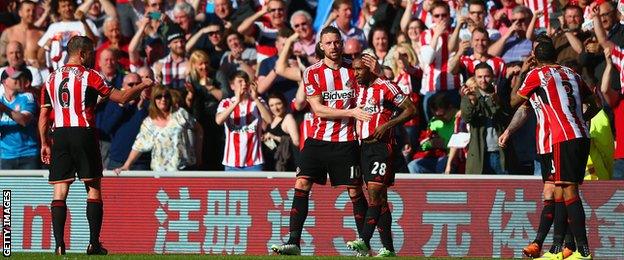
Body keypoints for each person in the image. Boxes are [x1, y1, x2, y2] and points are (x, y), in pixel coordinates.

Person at [38, 36, 153, 255]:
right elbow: (121, 98)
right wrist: (142, 85)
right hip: (84, 133)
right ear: (81, 54)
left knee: (60, 189)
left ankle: (59, 245)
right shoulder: (89, 75)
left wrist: (45, 142)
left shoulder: (51, 78)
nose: (92, 57)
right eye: (90, 52)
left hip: (60, 135)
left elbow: (44, 115)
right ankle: (93, 243)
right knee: (93, 187)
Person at [270, 26, 373, 256]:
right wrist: (352, 113)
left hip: (347, 141)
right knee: (301, 183)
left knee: (355, 191)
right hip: (317, 140)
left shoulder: (353, 71)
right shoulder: (313, 72)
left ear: (342, 43)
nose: (334, 47)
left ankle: (364, 244)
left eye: (337, 42)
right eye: (329, 43)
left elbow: (372, 92)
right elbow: (318, 110)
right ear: (321, 46)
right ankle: (294, 241)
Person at [510, 40, 601, 259]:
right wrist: (580, 118)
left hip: (563, 137)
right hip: (581, 135)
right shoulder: (572, 74)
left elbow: (514, 101)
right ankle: (557, 250)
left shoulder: (537, 74)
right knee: (560, 189)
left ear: (535, 56)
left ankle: (583, 251)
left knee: (569, 191)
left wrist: (523, 73)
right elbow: (595, 103)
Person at [346, 54, 416, 257]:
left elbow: (410, 109)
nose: (356, 73)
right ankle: (388, 249)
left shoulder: (385, 86)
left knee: (375, 193)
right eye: (354, 69)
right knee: (380, 199)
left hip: (381, 146)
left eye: (359, 69)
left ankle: (364, 240)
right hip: (362, 147)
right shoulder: (357, 89)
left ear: (370, 69)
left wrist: (387, 124)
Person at [215, 71, 272, 171]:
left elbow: (269, 120)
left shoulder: (258, 102)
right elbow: (219, 120)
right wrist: (237, 101)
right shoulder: (226, 103)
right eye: (240, 81)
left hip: (254, 162)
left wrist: (256, 98)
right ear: (232, 86)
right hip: (231, 163)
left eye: (246, 81)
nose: (244, 84)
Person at [460, 63, 510, 174]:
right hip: (479, 153)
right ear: (475, 78)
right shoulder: (469, 96)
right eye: (479, 77)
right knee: (479, 191)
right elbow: (467, 118)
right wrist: (472, 102)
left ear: (492, 76)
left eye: (486, 76)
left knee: (504, 190)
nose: (483, 80)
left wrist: (497, 102)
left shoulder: (500, 94)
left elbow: (506, 116)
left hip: (500, 152)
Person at [100, 73, 151, 170]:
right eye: (131, 85)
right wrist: (121, 107)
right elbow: (106, 128)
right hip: (117, 160)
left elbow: (149, 130)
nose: (135, 87)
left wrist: (141, 109)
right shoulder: (114, 103)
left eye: (138, 84)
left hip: (141, 161)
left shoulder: (147, 104)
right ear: (123, 86)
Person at [38, 0, 100, 70]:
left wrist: (84, 22)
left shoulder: (86, 22)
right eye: (63, 6)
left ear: (74, 7)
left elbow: (93, 45)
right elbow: (40, 57)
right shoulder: (53, 27)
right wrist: (46, 45)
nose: (67, 9)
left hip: (81, 72)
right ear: (58, 9)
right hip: (58, 72)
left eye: (69, 5)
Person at [0, 68, 39, 169]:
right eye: (14, 78)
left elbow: (24, 120)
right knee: (7, 185)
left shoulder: (27, 97)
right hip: (6, 156)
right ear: (4, 82)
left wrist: (3, 108)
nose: (18, 80)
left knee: (31, 185)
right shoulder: (1, 101)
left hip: (28, 154)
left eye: (19, 77)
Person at [262, 92, 300, 171]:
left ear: (284, 103)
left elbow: (296, 142)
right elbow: (274, 146)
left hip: (284, 164)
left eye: (278, 104)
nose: (275, 108)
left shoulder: (288, 118)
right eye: (271, 105)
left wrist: (274, 137)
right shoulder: (272, 119)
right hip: (270, 163)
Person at [0, 0, 44, 68]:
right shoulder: (8, 33)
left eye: (34, 11)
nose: (31, 13)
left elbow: (46, 58)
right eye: (28, 10)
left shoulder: (41, 34)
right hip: (13, 73)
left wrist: (41, 63)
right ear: (20, 13)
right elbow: (2, 58)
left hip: (37, 72)